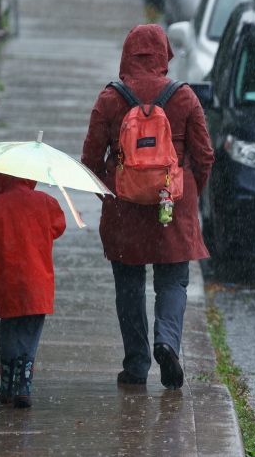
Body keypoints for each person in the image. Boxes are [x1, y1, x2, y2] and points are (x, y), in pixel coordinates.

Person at [81, 24, 214, 389]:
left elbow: (90, 159)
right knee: (172, 281)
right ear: (164, 55)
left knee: (129, 286)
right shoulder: (184, 98)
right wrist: (185, 194)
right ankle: (167, 343)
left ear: (126, 55)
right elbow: (204, 156)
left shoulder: (110, 99)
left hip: (125, 210)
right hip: (172, 207)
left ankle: (136, 365)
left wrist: (112, 194)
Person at [0, 173, 67, 409]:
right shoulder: (46, 202)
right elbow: (59, 226)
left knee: (9, 329)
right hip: (37, 283)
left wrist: (4, 234)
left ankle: (6, 386)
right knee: (29, 332)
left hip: (8, 281)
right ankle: (23, 386)